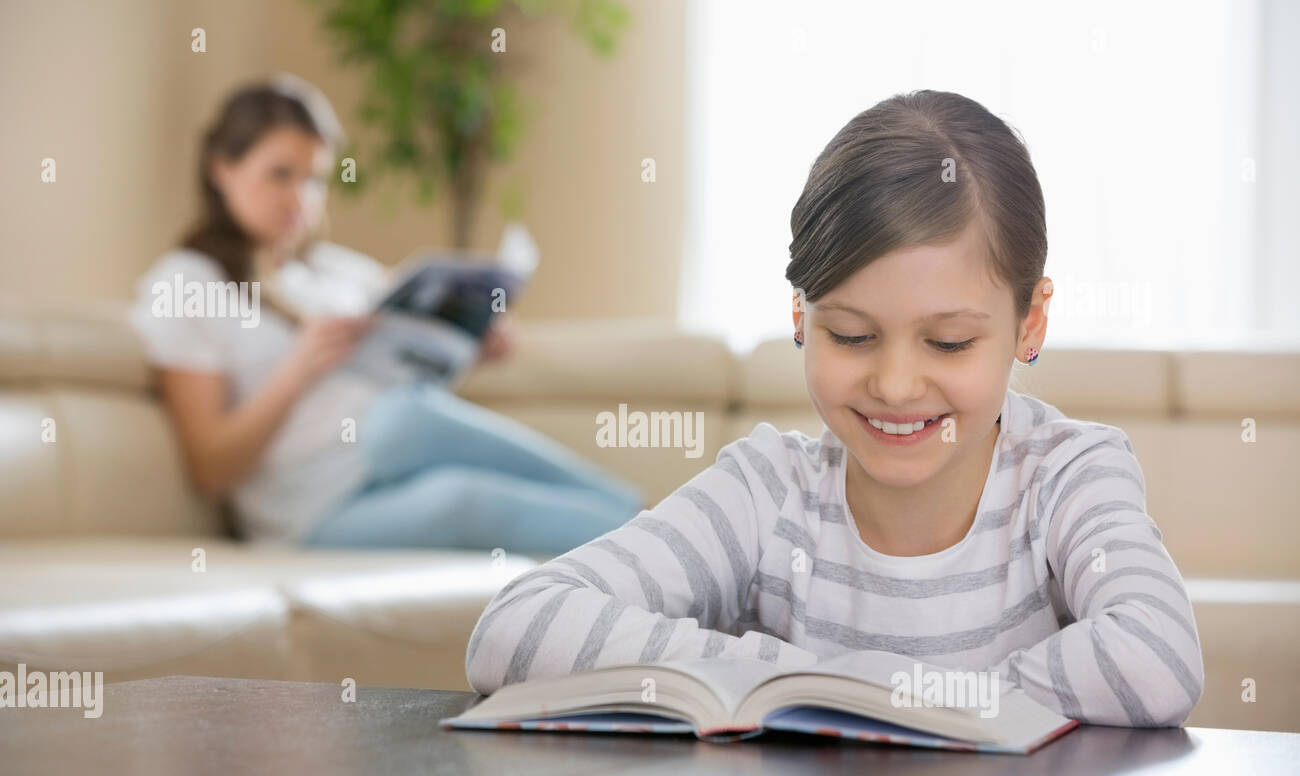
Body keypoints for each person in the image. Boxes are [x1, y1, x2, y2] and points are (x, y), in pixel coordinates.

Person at [464, 90, 1205, 728]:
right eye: (852, 335)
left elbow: (1159, 655)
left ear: (1030, 323)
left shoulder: (1068, 474)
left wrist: (868, 693)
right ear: (800, 315)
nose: (894, 384)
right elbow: (515, 629)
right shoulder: (767, 490)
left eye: (948, 343)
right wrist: (782, 680)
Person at [130, 75, 643, 553]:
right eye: (280, 174)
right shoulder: (184, 284)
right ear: (222, 167)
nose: (299, 200)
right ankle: (652, 529)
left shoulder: (332, 271)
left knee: (415, 429)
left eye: (314, 181)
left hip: (388, 458)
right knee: (449, 483)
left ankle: (650, 529)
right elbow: (211, 469)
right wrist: (299, 369)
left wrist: (466, 344)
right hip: (310, 509)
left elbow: (407, 362)